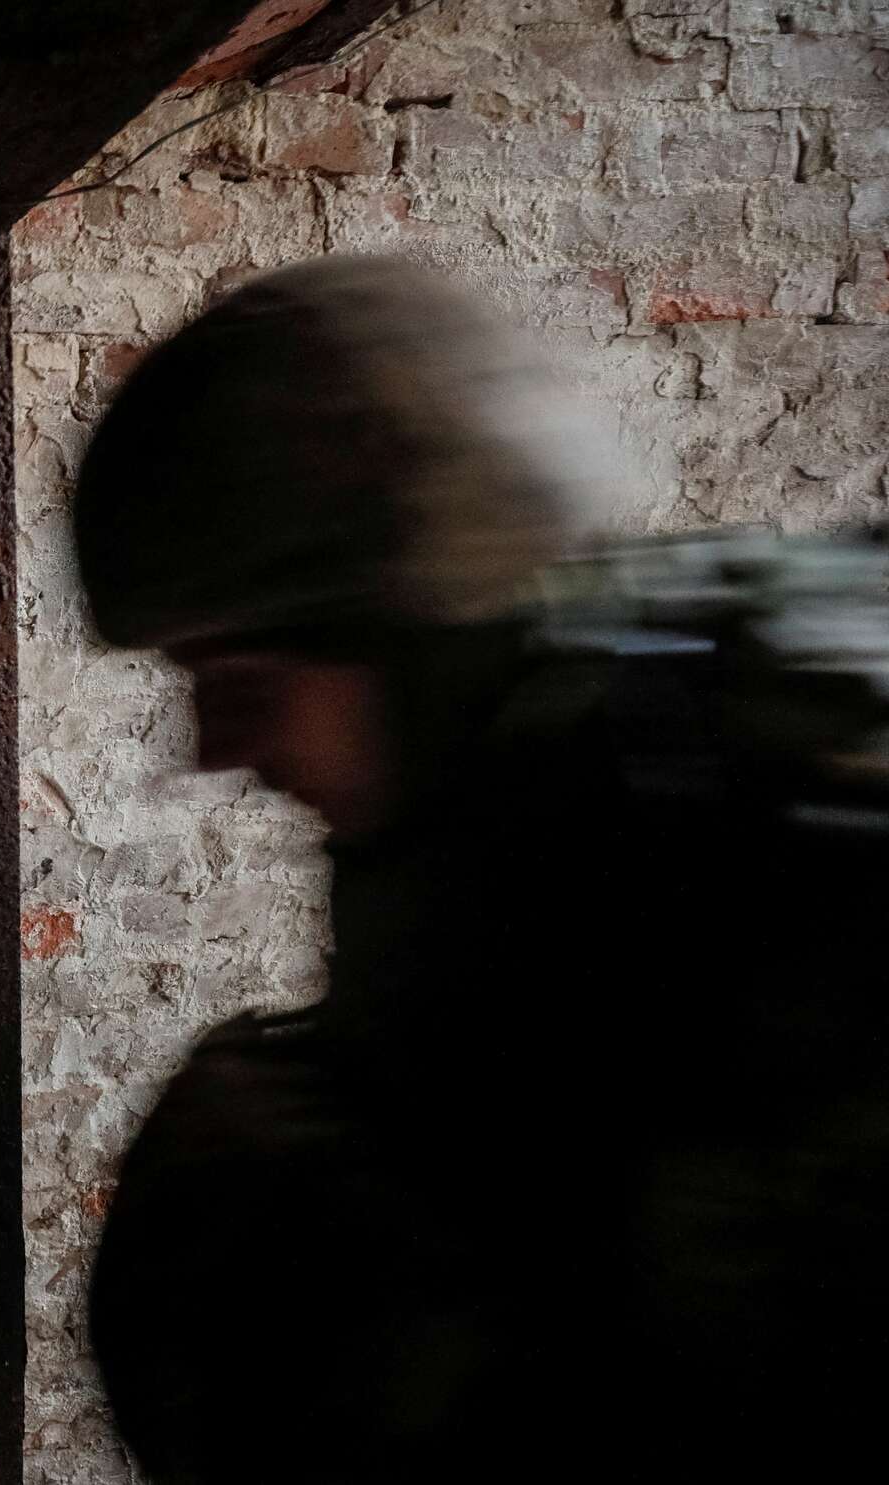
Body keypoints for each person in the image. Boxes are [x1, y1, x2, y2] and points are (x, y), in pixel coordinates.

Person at [71, 256, 889, 1482]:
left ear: (406, 636)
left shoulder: (765, 844)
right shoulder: (504, 824)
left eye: (242, 685)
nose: (215, 753)